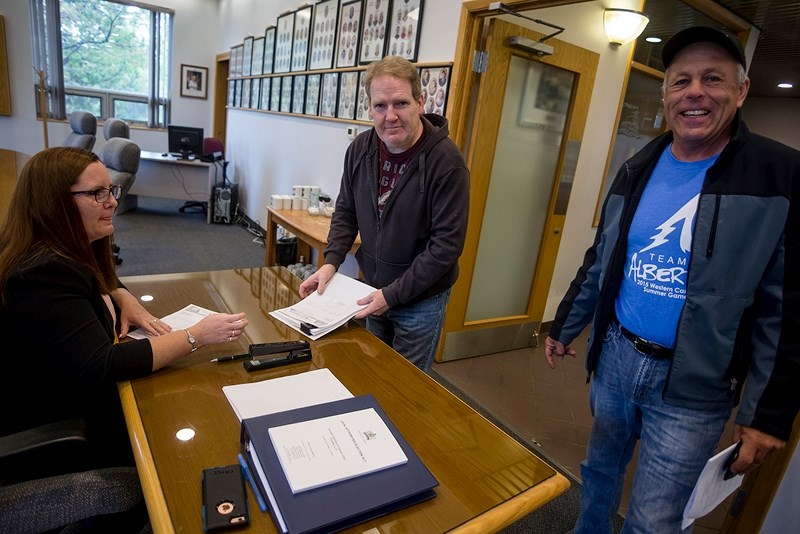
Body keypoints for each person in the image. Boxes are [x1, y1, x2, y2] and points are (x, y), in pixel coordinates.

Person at [544, 27, 799, 532]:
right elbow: (604, 257)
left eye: (713, 79)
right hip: (617, 357)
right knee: (598, 473)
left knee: (655, 517)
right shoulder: (639, 165)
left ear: (741, 90)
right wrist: (564, 324)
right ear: (665, 97)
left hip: (694, 386)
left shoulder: (780, 173)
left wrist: (767, 414)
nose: (695, 92)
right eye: (681, 81)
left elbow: (787, 307)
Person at [0, 147, 248, 471]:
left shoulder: (62, 249)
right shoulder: (44, 274)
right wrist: (196, 335)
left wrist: (120, 295)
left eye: (111, 189)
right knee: (196, 429)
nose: (113, 201)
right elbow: (102, 365)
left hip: (72, 395)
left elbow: (101, 278)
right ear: (55, 202)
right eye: (96, 193)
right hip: (64, 429)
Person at [299, 56, 469, 371]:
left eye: (400, 103)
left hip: (421, 298)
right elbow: (346, 211)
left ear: (420, 102)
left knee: (405, 385)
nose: (390, 116)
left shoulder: (446, 162)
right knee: (372, 372)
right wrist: (331, 262)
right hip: (371, 289)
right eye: (380, 105)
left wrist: (392, 295)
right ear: (369, 109)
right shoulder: (361, 149)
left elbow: (446, 246)